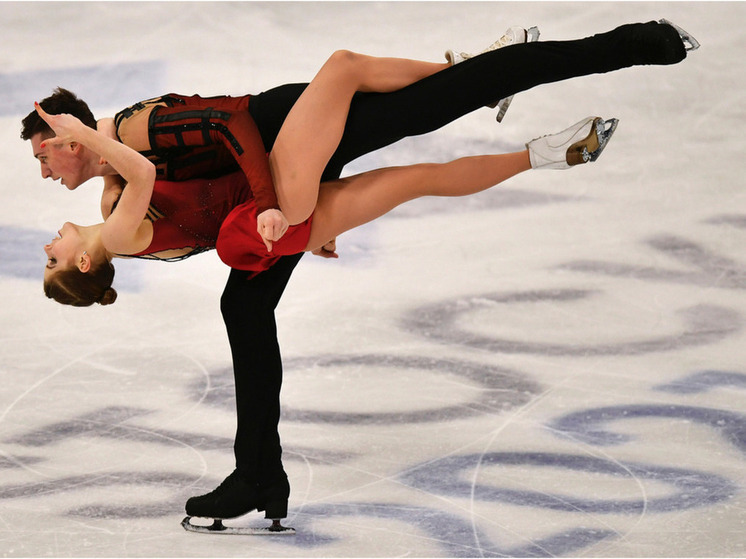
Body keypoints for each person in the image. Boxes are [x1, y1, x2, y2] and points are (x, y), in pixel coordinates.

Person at [24, 19, 697, 528]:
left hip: (280, 154)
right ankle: (258, 475)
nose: (46, 174)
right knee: (250, 297)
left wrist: (283, 218)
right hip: (279, 187)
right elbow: (195, 208)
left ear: (66, 140)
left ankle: (592, 73)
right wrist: (287, 218)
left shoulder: (131, 142)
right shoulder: (114, 205)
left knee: (428, 125)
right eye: (55, 257)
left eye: (45, 156)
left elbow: (227, 135)